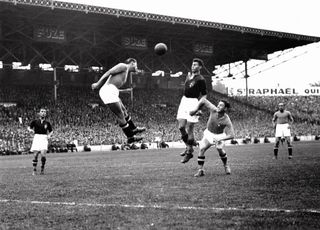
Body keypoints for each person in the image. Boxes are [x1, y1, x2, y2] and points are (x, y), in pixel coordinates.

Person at [91, 58, 145, 143]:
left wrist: (124, 91)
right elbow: (109, 72)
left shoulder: (126, 71)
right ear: (132, 63)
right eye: (136, 65)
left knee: (124, 111)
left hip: (112, 90)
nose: (136, 67)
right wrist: (98, 83)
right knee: (120, 114)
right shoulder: (123, 66)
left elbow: (114, 84)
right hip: (108, 90)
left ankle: (133, 129)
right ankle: (130, 137)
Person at [188, 98, 235, 177]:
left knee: (220, 149)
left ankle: (226, 165)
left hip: (219, 136)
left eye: (221, 105)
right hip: (209, 133)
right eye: (218, 104)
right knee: (202, 148)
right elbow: (203, 100)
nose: (218, 106)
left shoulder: (226, 120)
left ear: (225, 108)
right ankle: (200, 170)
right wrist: (195, 110)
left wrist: (220, 139)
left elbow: (232, 135)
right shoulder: (213, 109)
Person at [177, 58, 207, 163]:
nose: (193, 66)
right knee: (181, 127)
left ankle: (189, 152)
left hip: (193, 102)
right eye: (192, 64)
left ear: (200, 67)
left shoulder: (201, 79)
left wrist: (198, 108)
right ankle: (188, 147)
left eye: (195, 65)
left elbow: (204, 95)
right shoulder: (189, 76)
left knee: (189, 128)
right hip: (184, 101)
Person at [28, 108, 53, 175]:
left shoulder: (47, 123)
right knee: (35, 155)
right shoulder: (35, 121)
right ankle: (34, 170)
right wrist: (31, 130)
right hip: (37, 137)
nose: (43, 113)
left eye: (44, 112)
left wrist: (49, 135)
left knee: (43, 155)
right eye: (42, 111)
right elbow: (29, 127)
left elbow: (51, 131)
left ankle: (42, 169)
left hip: (44, 138)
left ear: (46, 114)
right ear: (39, 113)